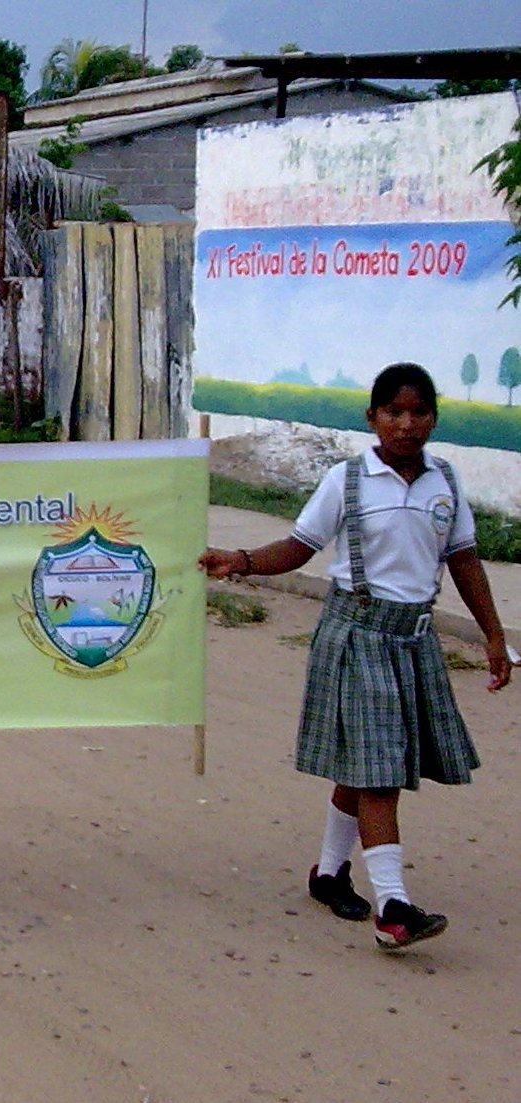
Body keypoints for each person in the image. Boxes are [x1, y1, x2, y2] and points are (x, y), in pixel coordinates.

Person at [199, 363, 510, 952]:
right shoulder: (347, 481)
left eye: (418, 412)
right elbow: (300, 546)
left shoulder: (444, 482)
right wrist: (241, 560)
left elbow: (465, 560)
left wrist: (493, 635)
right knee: (380, 772)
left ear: (434, 419)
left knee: (364, 762)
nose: (406, 424)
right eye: (394, 412)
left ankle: (328, 873)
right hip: (356, 634)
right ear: (372, 419)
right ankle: (393, 908)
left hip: (413, 639)